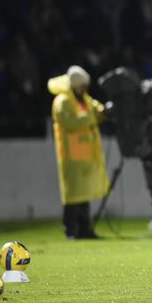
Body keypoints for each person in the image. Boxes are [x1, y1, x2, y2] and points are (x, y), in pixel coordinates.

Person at [48, 65, 109, 240]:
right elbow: (71, 123)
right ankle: (70, 230)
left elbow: (95, 107)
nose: (85, 89)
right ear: (75, 85)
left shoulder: (82, 99)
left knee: (84, 195)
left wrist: (104, 111)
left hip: (85, 155)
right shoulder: (63, 102)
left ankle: (85, 230)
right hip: (71, 156)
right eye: (83, 86)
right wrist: (94, 117)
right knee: (72, 197)